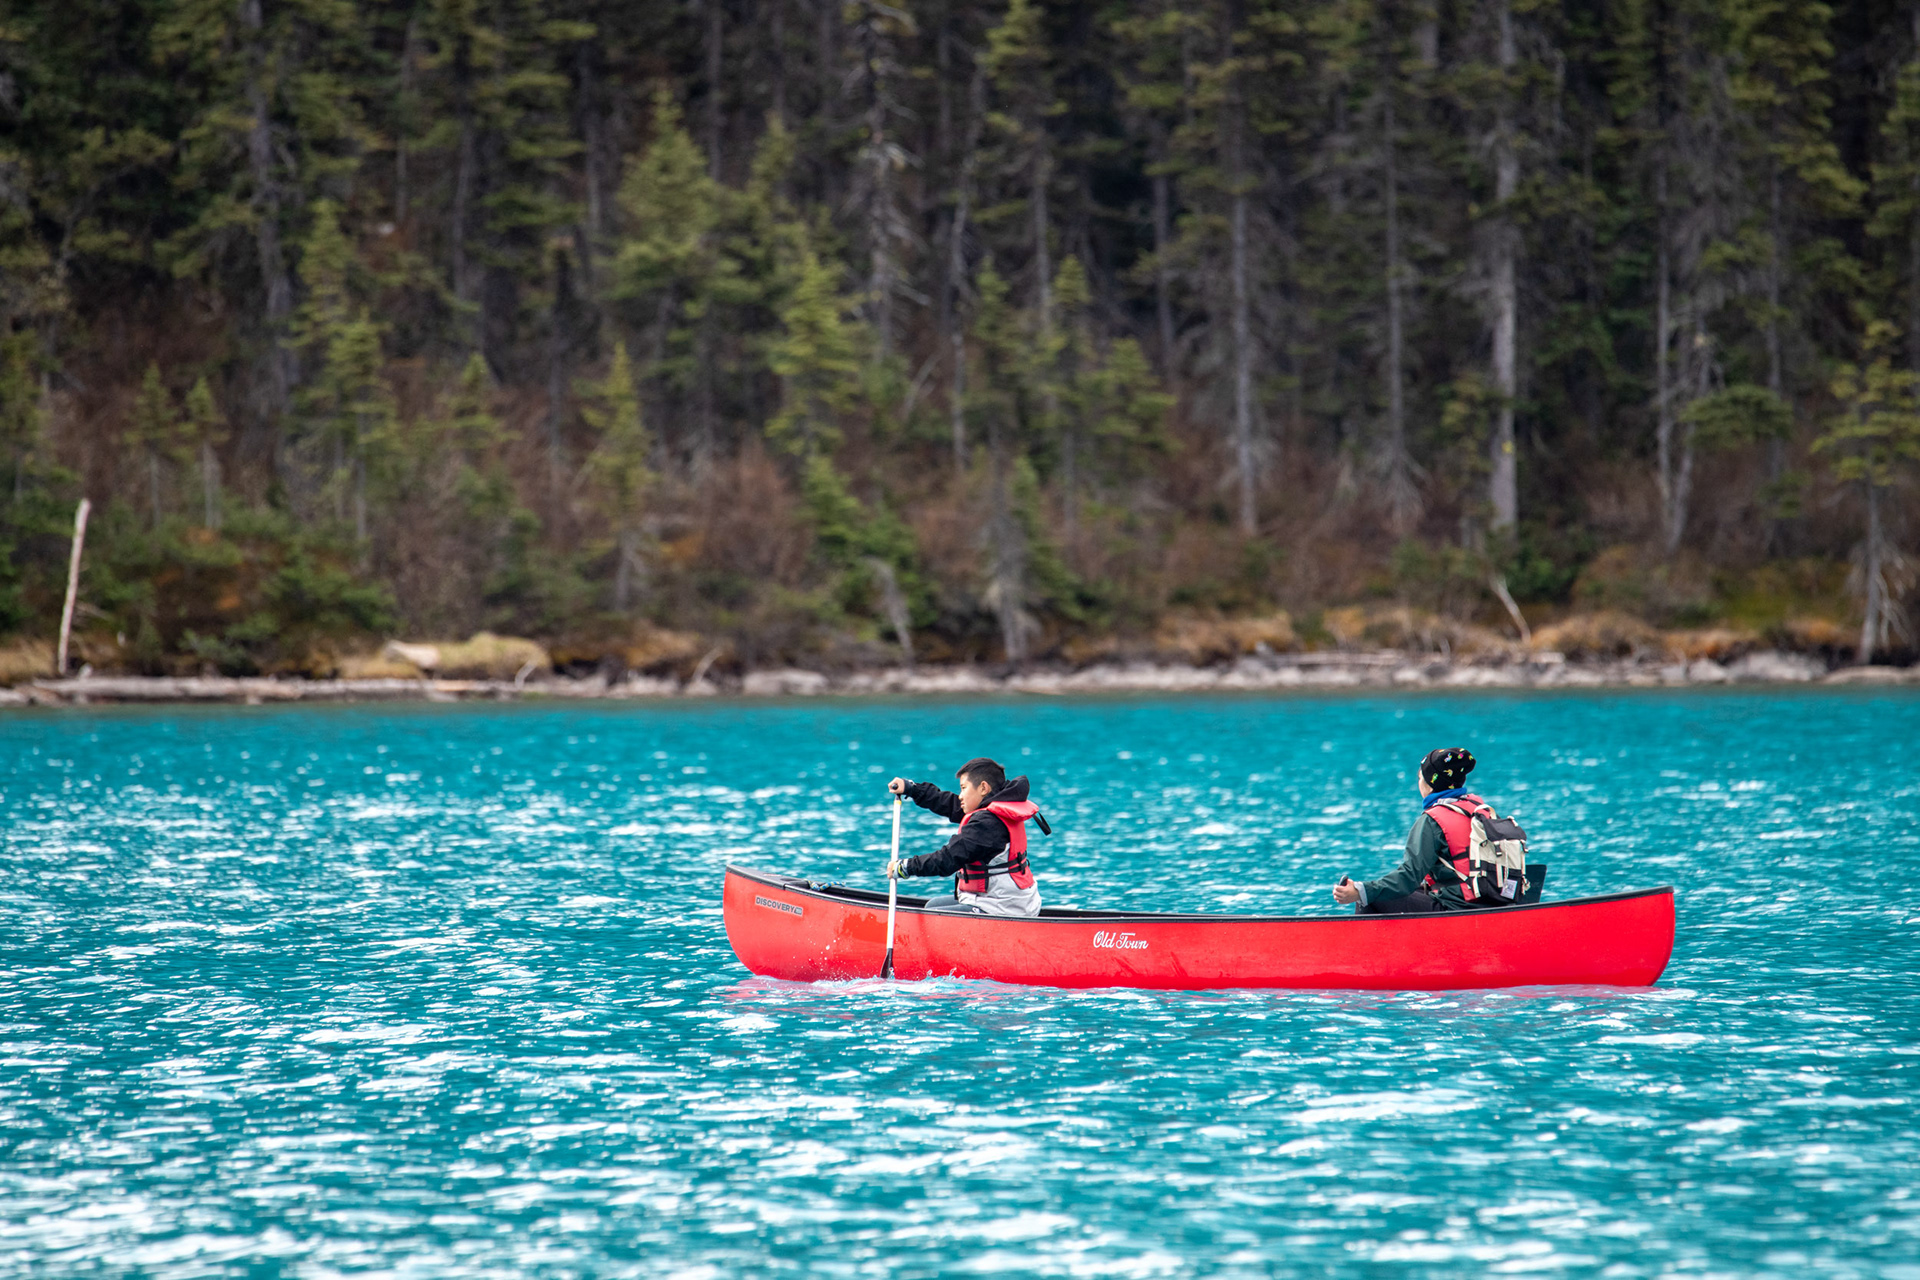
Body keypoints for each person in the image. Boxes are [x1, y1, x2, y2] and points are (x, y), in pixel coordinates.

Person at [1331, 747, 1499, 915]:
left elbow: (1408, 878)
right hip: (1491, 900)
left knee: (1371, 897)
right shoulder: (1482, 810)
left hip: (1458, 908)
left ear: (1430, 784)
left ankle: (1364, 941)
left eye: (1420, 778)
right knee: (1396, 891)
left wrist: (1360, 891)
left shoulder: (1432, 821)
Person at [883, 757, 1046, 916]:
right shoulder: (993, 807)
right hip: (1005, 900)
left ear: (983, 788)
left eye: (963, 788)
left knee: (932, 915)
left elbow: (947, 859)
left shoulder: (986, 825)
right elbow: (949, 804)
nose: (960, 795)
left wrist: (906, 867)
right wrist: (912, 789)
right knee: (932, 906)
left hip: (1005, 907)